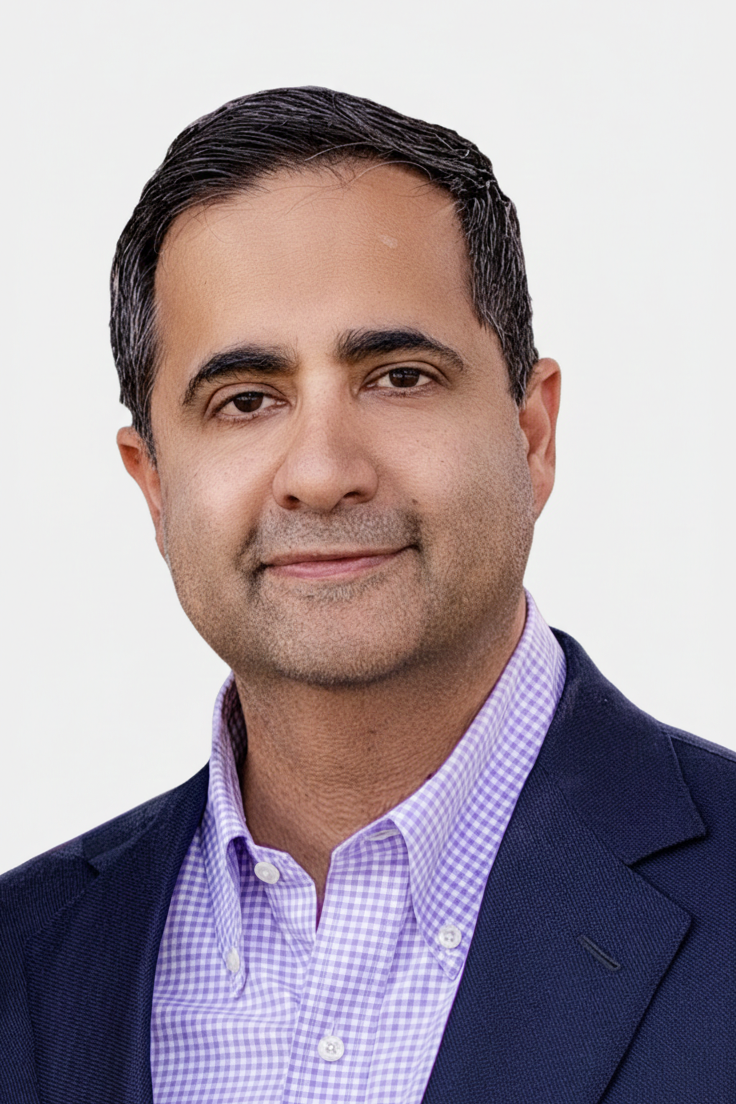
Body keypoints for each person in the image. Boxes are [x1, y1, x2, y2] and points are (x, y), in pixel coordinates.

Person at [1, 87, 734, 1104]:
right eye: (245, 400)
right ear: (155, 486)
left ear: (532, 435)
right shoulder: (23, 963)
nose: (321, 472)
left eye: (398, 378)